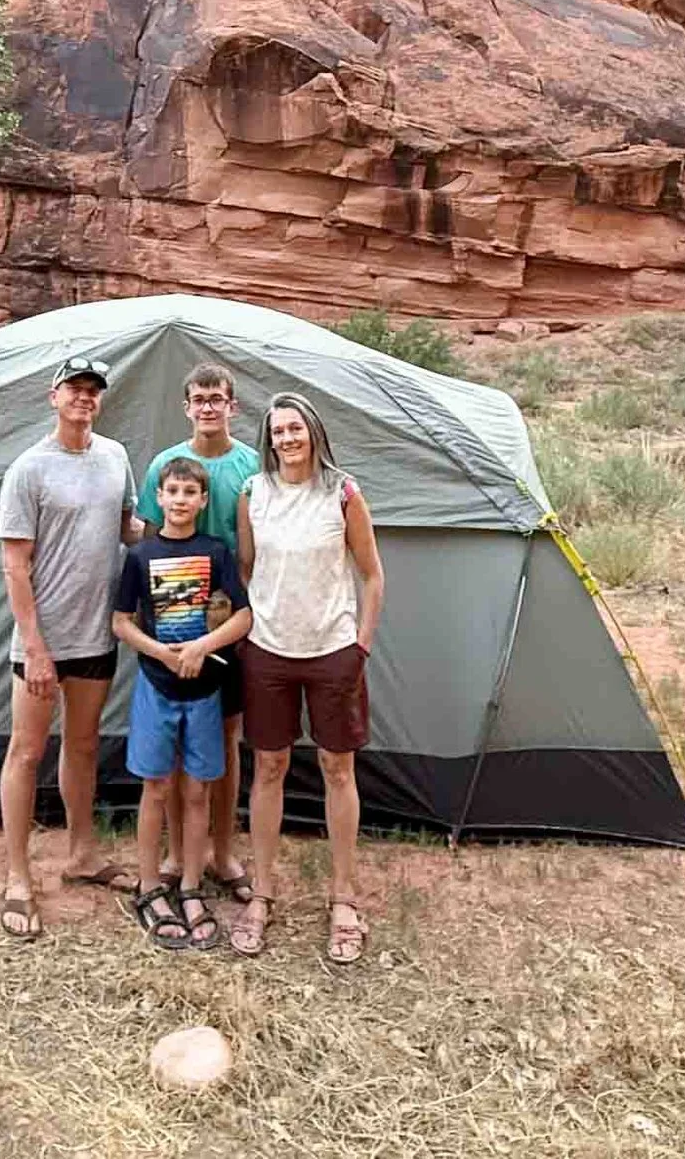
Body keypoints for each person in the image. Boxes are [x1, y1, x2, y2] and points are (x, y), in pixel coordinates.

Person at [0, 353, 143, 940]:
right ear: (52, 396)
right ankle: (17, 876)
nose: (84, 397)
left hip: (94, 635)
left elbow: (129, 527)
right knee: (25, 753)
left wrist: (181, 528)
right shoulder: (28, 470)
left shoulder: (116, 457)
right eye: (74, 388)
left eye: (92, 390)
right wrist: (34, 647)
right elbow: (14, 564)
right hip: (42, 640)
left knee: (81, 746)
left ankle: (82, 856)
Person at [232, 391, 384, 965]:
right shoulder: (255, 494)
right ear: (268, 439)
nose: (288, 439)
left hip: (333, 651)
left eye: (296, 429)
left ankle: (343, 898)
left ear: (314, 433)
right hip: (269, 651)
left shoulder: (343, 493)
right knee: (268, 767)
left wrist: (360, 645)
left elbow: (372, 575)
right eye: (278, 431)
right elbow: (248, 568)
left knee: (335, 767)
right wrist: (254, 628)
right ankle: (262, 893)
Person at [111, 456, 253, 950]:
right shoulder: (140, 556)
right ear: (160, 498)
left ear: (202, 500)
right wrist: (162, 654)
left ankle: (191, 885)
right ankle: (150, 885)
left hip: (206, 691)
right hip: (157, 685)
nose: (179, 501)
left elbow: (242, 618)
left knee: (196, 793)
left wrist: (200, 649)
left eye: (189, 493)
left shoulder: (215, 553)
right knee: (155, 789)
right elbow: (122, 621)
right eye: (171, 492)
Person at [132, 362, 261, 901]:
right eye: (199, 398)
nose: (208, 406)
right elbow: (144, 533)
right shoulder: (166, 465)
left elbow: (258, 541)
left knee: (224, 741)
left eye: (218, 398)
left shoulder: (252, 465)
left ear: (233, 406)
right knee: (173, 749)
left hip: (229, 626)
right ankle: (176, 855)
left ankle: (223, 852)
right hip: (169, 629)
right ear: (186, 406)